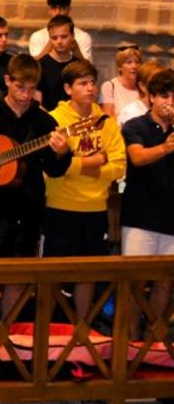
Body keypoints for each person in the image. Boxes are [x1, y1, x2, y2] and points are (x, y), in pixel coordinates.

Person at [0, 54, 63, 350]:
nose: (25, 95)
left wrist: (61, 152)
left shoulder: (44, 121)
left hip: (28, 206)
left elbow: (55, 169)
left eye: (31, 89)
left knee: (17, 276)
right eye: (20, 88)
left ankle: (5, 338)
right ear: (7, 81)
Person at [42, 59, 126, 319]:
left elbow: (118, 166)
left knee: (88, 272)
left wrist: (74, 163)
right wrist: (95, 161)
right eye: (83, 83)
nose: (90, 88)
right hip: (60, 205)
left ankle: (82, 326)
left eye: (92, 83)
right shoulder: (54, 120)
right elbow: (50, 169)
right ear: (68, 88)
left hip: (95, 207)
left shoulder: (106, 122)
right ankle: (50, 328)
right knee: (53, 273)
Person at [120, 69, 174, 330]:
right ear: (151, 97)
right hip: (140, 216)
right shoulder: (135, 126)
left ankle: (154, 342)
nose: (170, 102)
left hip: (171, 217)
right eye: (164, 96)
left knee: (166, 281)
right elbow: (137, 158)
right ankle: (129, 344)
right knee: (135, 283)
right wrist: (165, 147)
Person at [27, 0, 93, 60]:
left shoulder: (83, 37)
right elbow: (35, 67)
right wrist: (51, 42)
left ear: (69, 9)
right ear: (49, 10)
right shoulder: (37, 36)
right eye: (54, 8)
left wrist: (76, 50)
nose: (58, 12)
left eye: (62, 8)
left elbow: (88, 69)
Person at [36, 14, 80, 110]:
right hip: (48, 118)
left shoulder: (79, 66)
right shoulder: (40, 65)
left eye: (64, 37)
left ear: (72, 36)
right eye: (54, 38)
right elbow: (37, 102)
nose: (59, 41)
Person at [99, 44, 143, 118]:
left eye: (137, 62)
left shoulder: (143, 87)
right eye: (129, 62)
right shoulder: (109, 86)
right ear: (119, 67)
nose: (134, 66)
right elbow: (109, 120)